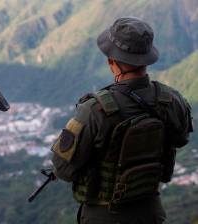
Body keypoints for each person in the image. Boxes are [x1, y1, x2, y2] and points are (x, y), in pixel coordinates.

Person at [52, 17, 193, 224]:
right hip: (151, 213)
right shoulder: (172, 100)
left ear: (112, 62)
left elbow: (63, 169)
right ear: (146, 59)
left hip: (103, 217)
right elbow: (181, 139)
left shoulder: (94, 110)